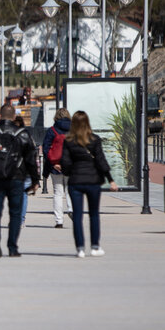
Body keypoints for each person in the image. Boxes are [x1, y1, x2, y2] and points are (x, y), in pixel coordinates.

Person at [0, 104, 40, 258]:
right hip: (16, 177)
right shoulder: (23, 134)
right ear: (13, 116)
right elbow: (31, 159)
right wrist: (35, 179)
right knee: (15, 213)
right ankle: (12, 247)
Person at [60, 110, 118, 258]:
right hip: (93, 181)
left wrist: (70, 172)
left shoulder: (68, 141)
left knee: (77, 216)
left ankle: (80, 248)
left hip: (75, 182)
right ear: (87, 123)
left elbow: (65, 163)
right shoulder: (95, 140)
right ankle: (94, 247)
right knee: (94, 214)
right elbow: (101, 161)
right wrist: (110, 179)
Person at [43, 107, 73, 228]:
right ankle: (71, 209)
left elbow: (46, 149)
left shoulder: (52, 130)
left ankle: (59, 220)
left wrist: (54, 163)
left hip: (55, 166)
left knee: (57, 192)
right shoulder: (74, 130)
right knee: (70, 190)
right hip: (70, 165)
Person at [14, 115, 33, 228]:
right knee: (24, 195)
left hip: (12, 169)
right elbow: (31, 153)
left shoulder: (9, 134)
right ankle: (21, 220)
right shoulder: (27, 135)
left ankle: (17, 218)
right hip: (25, 169)